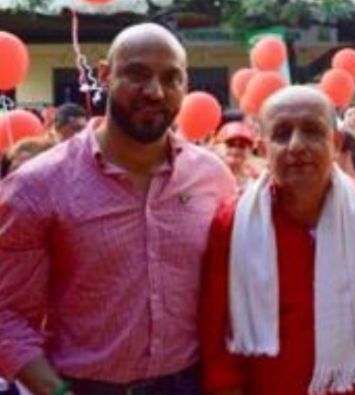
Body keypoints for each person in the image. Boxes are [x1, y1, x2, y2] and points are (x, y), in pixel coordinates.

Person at [0, 23, 236, 395]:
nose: (155, 92)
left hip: (190, 383)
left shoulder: (213, 179)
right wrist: (56, 391)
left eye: (171, 78)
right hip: (83, 386)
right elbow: (7, 314)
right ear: (106, 75)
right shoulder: (37, 186)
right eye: (138, 75)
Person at [200, 86, 355, 395]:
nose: (296, 145)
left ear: (336, 143)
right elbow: (218, 333)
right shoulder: (234, 221)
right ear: (263, 150)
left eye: (312, 132)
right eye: (281, 134)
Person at [214, 120, 260, 189]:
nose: (235, 150)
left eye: (242, 146)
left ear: (250, 151)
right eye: (230, 144)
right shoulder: (208, 173)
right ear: (217, 146)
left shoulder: (256, 178)